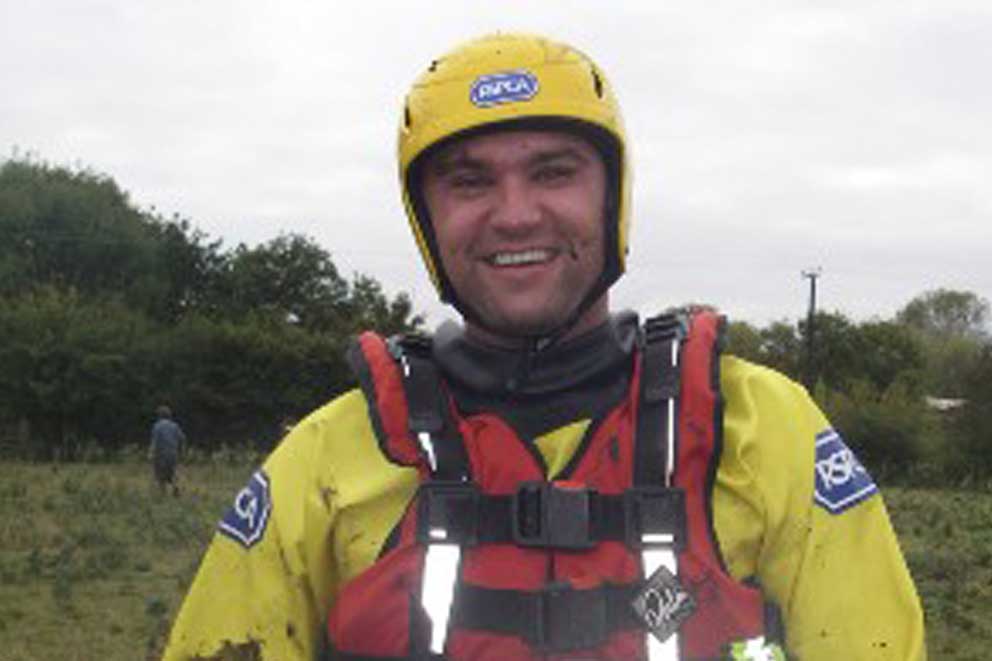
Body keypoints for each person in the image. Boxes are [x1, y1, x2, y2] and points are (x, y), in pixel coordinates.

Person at [163, 33, 926, 660]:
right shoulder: (327, 456)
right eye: (470, 182)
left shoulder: (767, 429)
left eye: (553, 172)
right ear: (427, 219)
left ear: (611, 196)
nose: (515, 214)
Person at [149, 404, 186, 496]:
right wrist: (180, 451)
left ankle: (163, 494)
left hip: (160, 454)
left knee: (160, 475)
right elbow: (182, 438)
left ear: (159, 415)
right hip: (173, 454)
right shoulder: (175, 426)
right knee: (172, 473)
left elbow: (155, 441)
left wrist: (151, 453)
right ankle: (175, 489)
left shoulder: (157, 426)